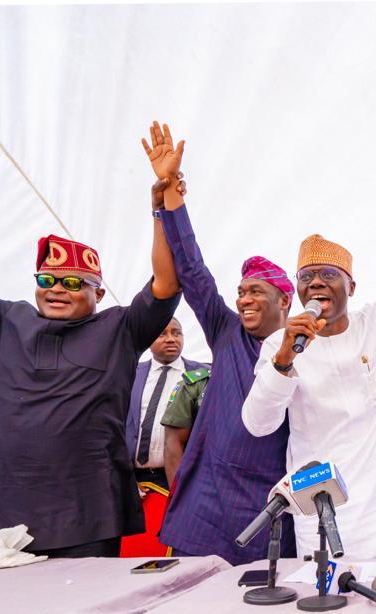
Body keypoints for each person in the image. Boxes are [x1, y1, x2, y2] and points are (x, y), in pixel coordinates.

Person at [0, 138, 182, 556]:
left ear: (98, 293)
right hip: (2, 508)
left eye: (72, 283)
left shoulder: (120, 327)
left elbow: (167, 284)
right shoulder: (11, 319)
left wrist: (163, 208)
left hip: (85, 510)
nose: (56, 290)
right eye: (47, 281)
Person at [242, 213, 376, 560]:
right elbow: (258, 424)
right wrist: (286, 357)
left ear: (351, 287)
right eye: (306, 276)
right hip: (324, 515)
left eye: (329, 274)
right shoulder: (280, 344)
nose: (316, 283)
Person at [145, 122, 297, 565]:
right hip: (209, 497)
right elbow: (192, 269)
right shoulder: (225, 331)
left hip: (272, 500)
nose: (244, 299)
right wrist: (172, 196)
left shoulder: (306, 345)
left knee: (266, 594)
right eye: (242, 292)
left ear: (284, 300)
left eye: (256, 293)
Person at [125, 316, 206, 491]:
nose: (171, 338)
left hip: (183, 477)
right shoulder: (130, 373)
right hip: (134, 481)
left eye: (177, 333)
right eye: (162, 334)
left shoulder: (203, 375)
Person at [160, 363, 210, 488]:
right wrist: (178, 495)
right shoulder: (196, 384)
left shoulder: (262, 382)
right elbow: (173, 443)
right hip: (204, 481)